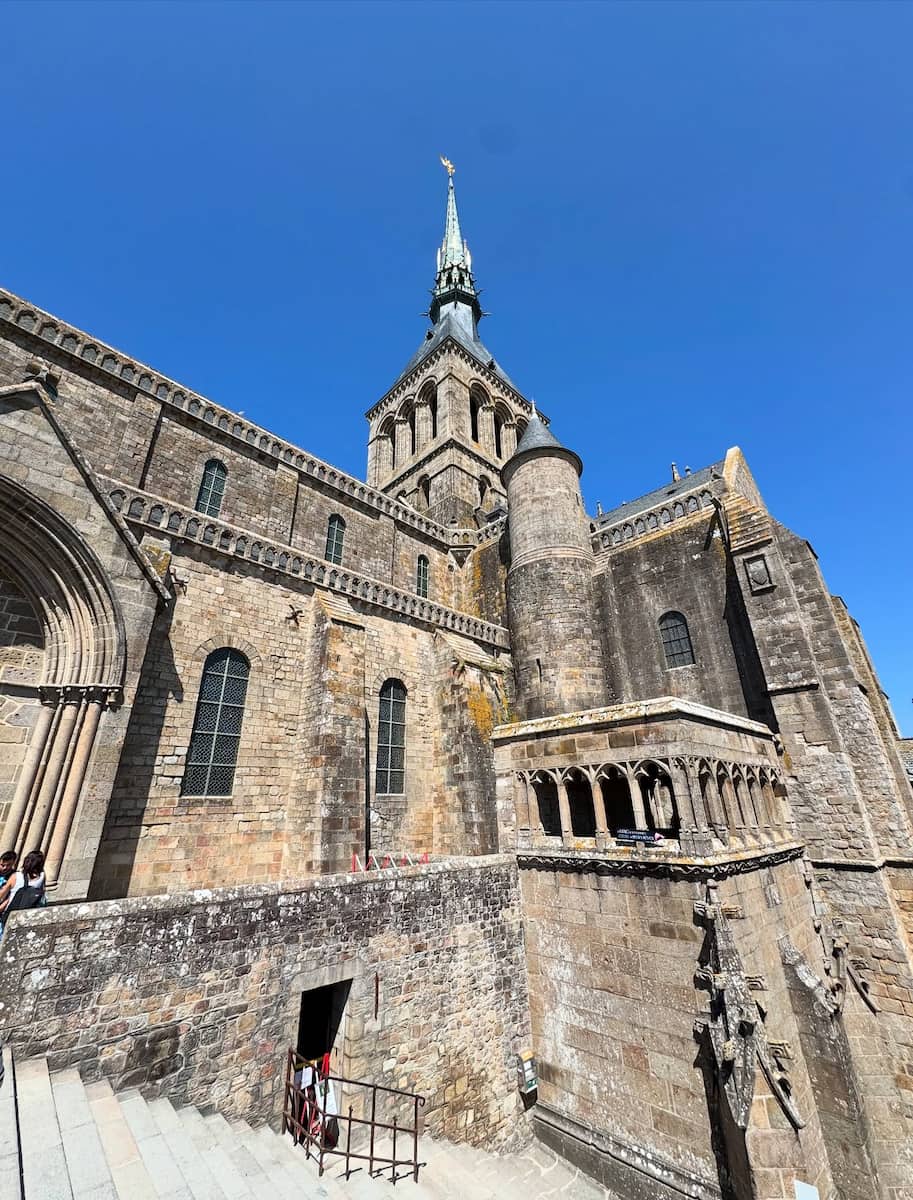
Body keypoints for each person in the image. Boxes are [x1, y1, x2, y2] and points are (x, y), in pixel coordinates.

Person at [0, 849, 46, 932]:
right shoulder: (41, 878)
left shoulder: (16, 876)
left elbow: (1, 895)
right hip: (28, 917)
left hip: (10, 915)